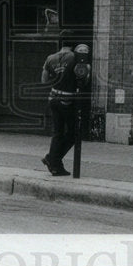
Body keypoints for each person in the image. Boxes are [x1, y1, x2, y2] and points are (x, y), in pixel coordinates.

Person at [40, 32, 84, 177]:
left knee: (57, 132)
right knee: (73, 134)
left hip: (53, 98)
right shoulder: (74, 57)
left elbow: (44, 80)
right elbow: (83, 76)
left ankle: (55, 164)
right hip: (67, 99)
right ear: (73, 44)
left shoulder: (50, 58)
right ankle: (53, 159)